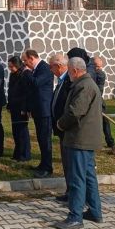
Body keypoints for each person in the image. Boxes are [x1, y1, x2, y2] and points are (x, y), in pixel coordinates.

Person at [54, 57, 103, 229]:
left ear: (75, 70)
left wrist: (60, 124)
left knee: (77, 179)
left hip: (79, 139)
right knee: (89, 177)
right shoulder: (85, 84)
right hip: (85, 139)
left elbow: (75, 112)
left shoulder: (84, 86)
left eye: (68, 70)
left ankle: (75, 216)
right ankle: (95, 212)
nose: (67, 73)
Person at [21, 49, 54, 178]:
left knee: (45, 140)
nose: (24, 63)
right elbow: (31, 90)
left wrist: (28, 72)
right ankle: (43, 163)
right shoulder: (35, 69)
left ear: (31, 58)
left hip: (44, 110)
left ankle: (48, 167)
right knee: (41, 139)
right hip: (37, 109)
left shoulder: (44, 68)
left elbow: (36, 83)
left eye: (25, 60)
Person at [49, 53, 72, 202]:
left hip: (68, 129)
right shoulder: (61, 80)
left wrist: (61, 123)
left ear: (59, 66)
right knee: (66, 163)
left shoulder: (69, 81)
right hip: (61, 129)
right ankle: (70, 191)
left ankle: (74, 195)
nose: (50, 70)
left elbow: (71, 108)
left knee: (71, 164)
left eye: (51, 67)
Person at [6, 56, 31, 162]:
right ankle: (17, 153)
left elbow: (27, 93)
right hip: (14, 107)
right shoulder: (13, 75)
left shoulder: (24, 74)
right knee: (15, 131)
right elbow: (11, 91)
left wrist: (24, 108)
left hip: (21, 108)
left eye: (12, 66)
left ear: (17, 65)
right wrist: (9, 104)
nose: (10, 68)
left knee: (22, 132)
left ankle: (24, 154)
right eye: (9, 67)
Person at [93, 56, 115, 148]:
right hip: (88, 101)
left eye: (100, 66)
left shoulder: (100, 74)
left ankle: (110, 142)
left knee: (105, 122)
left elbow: (99, 91)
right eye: (97, 66)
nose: (99, 69)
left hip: (98, 101)